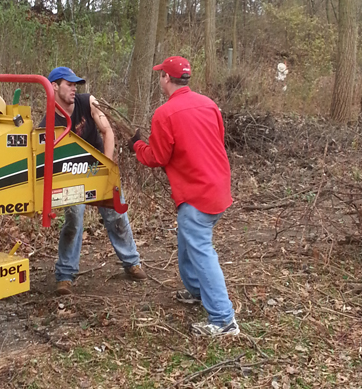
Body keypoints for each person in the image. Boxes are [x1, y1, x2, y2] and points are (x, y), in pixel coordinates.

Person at [128, 56, 239, 337]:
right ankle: (199, 292)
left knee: (201, 251)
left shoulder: (165, 114)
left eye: (160, 75)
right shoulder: (209, 104)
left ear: (166, 78)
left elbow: (158, 156)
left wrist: (138, 146)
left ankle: (223, 319)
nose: (159, 79)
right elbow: (216, 139)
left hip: (196, 193)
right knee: (188, 245)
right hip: (218, 187)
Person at [45, 66, 146, 296]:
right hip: (72, 174)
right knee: (73, 218)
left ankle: (132, 262)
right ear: (54, 86)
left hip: (99, 165)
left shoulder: (88, 101)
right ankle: (65, 275)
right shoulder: (49, 121)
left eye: (75, 84)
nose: (73, 88)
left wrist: (107, 168)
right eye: (68, 84)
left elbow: (107, 131)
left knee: (116, 213)